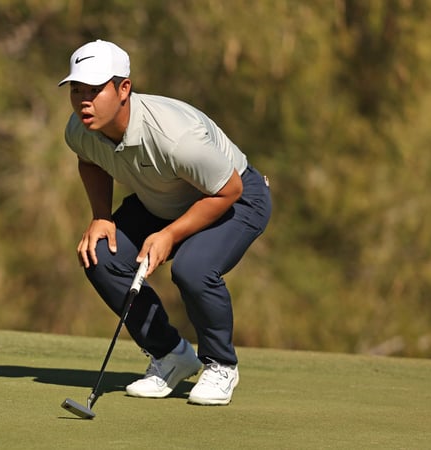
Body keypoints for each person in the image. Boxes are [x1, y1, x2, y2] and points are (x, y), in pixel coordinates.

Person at [59, 40, 272, 405]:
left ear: (124, 89)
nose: (83, 100)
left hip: (234, 195)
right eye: (77, 90)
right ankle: (171, 355)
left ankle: (221, 365)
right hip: (164, 197)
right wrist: (101, 217)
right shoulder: (81, 129)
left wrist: (169, 235)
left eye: (94, 90)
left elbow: (228, 190)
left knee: (193, 267)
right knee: (101, 254)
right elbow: (90, 160)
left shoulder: (175, 137)